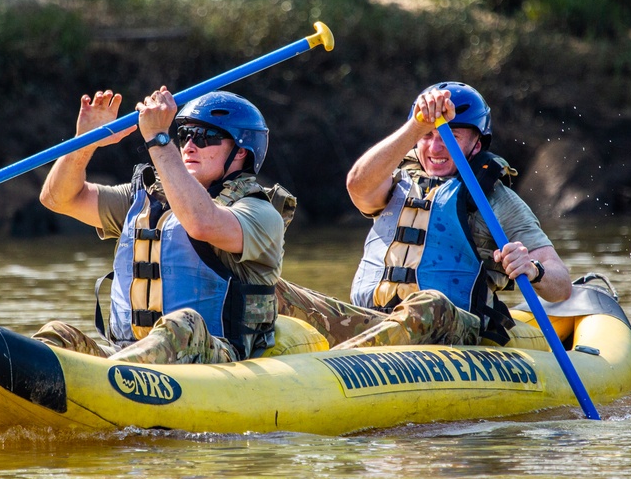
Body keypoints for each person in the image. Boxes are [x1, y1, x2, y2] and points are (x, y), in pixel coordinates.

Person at [276, 81, 571, 349]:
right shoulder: (393, 184)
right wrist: (416, 125)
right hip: (374, 320)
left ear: (476, 145)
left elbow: (561, 285)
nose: (436, 146)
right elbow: (357, 184)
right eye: (427, 136)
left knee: (430, 304)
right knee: (274, 290)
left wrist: (533, 269)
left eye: (450, 136)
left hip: (450, 326)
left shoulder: (497, 200)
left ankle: (340, 361)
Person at [32, 87, 294, 364]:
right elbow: (58, 199)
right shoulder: (145, 200)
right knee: (58, 333)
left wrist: (158, 138)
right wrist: (85, 141)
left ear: (241, 151)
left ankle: (111, 375)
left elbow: (201, 222)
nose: (190, 145)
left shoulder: (260, 212)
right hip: (126, 352)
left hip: (214, 355)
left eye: (206, 137)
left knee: (182, 326)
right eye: (184, 136)